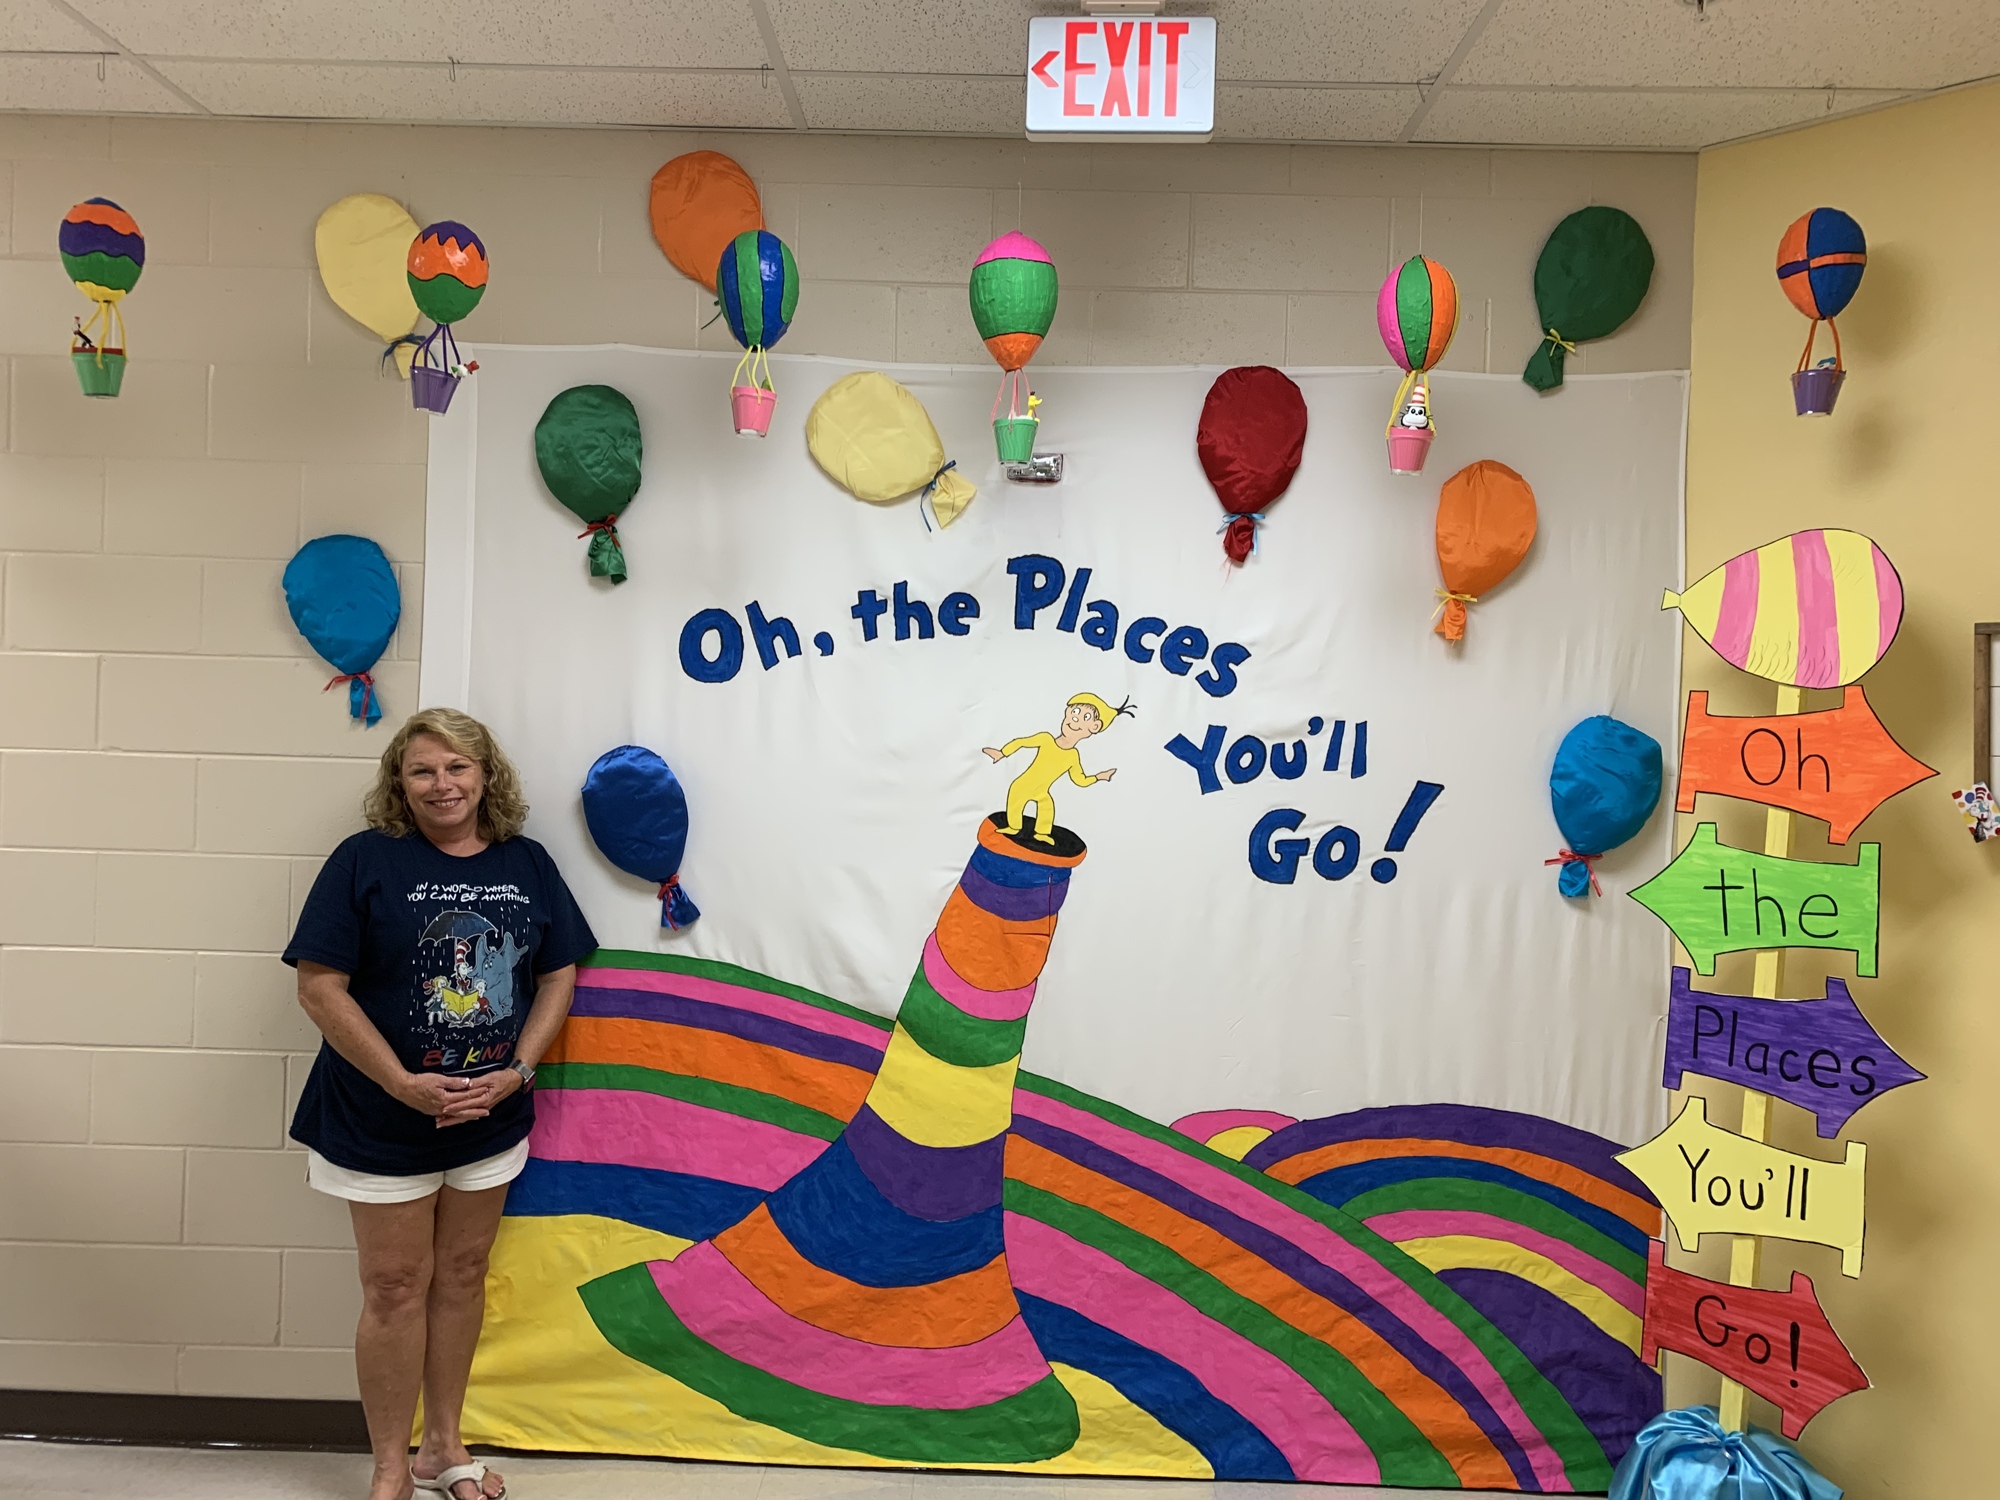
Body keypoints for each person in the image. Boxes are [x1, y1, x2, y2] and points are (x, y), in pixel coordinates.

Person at [285, 708, 597, 1500]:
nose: (442, 784)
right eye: (422, 770)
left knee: (461, 1274)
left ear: (486, 776)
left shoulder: (527, 863)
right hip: (378, 1119)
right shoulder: (364, 861)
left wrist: (520, 1071)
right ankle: (391, 1466)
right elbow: (319, 988)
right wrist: (399, 1081)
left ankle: (442, 1450)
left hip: (490, 1121)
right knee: (394, 1287)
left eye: (458, 768)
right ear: (400, 781)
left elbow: (559, 972)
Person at [983, 692, 1132, 843]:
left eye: (1085, 717)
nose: (1075, 718)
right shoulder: (1046, 739)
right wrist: (1002, 753)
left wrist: (1099, 777)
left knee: (1047, 807)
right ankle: (1014, 827)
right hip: (1022, 785)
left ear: (1094, 727)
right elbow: (1021, 742)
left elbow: (1080, 779)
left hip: (1042, 791)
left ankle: (1042, 833)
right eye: (1075, 712)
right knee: (1016, 803)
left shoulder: (1072, 756)